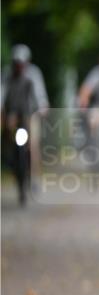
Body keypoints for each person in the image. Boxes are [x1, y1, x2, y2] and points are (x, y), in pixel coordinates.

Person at [2, 45, 46, 205]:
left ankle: (34, 177)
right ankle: (11, 162)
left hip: (30, 114)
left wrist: (43, 107)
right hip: (14, 114)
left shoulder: (33, 74)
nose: (19, 66)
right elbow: (2, 94)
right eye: (16, 63)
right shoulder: (7, 75)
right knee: (10, 138)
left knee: (33, 146)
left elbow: (40, 94)